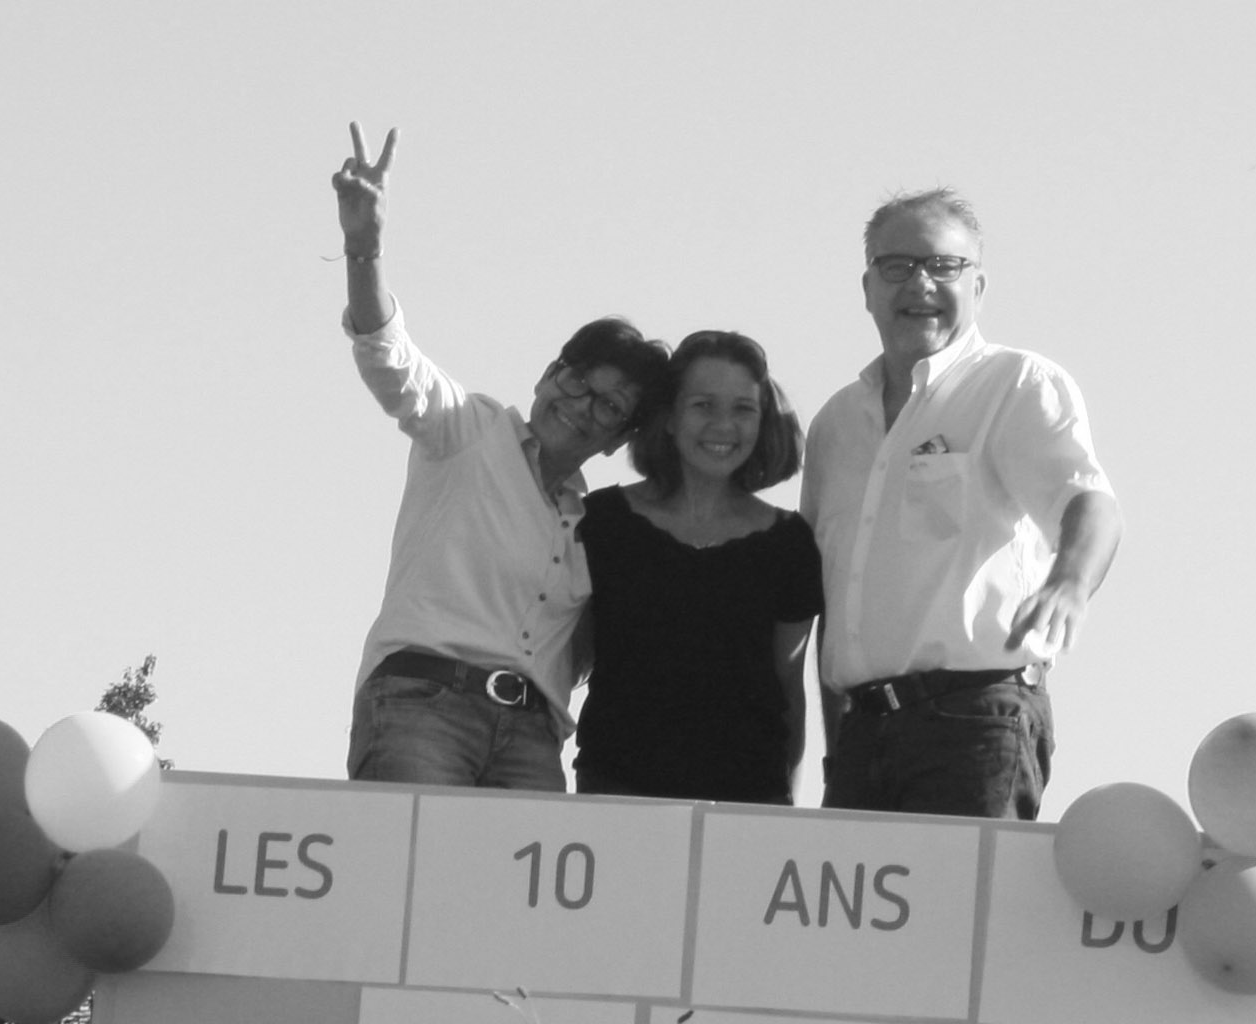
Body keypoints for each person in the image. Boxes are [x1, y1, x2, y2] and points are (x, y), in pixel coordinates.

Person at [333, 123, 671, 788]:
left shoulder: (594, 525)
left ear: (616, 441)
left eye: (607, 407)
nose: (580, 404)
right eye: (577, 379)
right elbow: (388, 357)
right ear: (548, 373)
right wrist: (363, 248)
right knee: (405, 884)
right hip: (421, 707)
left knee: (517, 896)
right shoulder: (468, 428)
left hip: (530, 738)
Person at [801, 188, 1122, 820]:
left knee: (961, 917)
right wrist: (836, 744)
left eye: (943, 266)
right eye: (897, 266)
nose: (919, 282)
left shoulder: (1015, 385)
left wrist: (1069, 583)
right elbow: (830, 597)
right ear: (867, 287)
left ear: (979, 287)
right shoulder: (836, 424)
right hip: (861, 738)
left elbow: (1090, 500)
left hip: (975, 724)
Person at [574, 331, 823, 804]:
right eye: (704, 405)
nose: (723, 425)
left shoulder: (789, 543)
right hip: (617, 793)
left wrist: (787, 809)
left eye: (743, 408)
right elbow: (569, 656)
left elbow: (789, 688)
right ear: (668, 417)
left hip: (748, 801)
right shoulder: (602, 523)